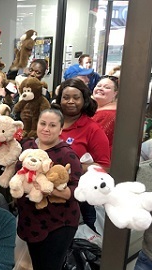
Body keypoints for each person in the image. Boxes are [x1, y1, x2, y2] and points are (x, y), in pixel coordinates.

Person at [15, 108, 82, 270]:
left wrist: (48, 188)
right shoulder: (27, 146)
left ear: (61, 129)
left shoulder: (67, 155)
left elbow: (78, 191)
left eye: (52, 125)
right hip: (30, 219)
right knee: (38, 269)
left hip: (59, 222)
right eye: (43, 124)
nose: (46, 129)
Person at [55, 78, 111, 231]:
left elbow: (105, 166)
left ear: (84, 100)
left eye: (76, 97)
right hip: (49, 193)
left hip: (78, 198)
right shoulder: (52, 122)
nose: (70, 101)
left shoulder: (92, 129)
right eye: (66, 97)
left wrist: (75, 165)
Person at [92, 75, 119, 155]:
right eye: (98, 86)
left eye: (107, 87)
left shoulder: (110, 114)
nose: (100, 88)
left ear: (115, 93)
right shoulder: (92, 108)